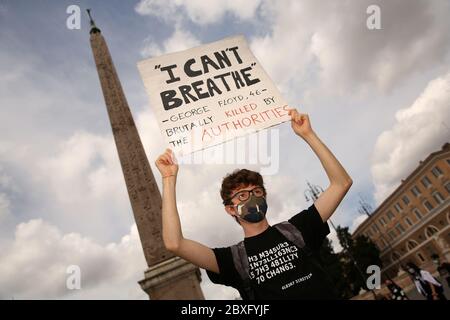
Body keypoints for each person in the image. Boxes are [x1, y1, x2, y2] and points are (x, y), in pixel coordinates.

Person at [155, 108, 353, 299]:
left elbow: (341, 183)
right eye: (242, 195)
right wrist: (168, 179)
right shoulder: (232, 259)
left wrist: (308, 134)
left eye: (257, 191)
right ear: (230, 209)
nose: (252, 197)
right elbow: (175, 243)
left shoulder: (297, 229)